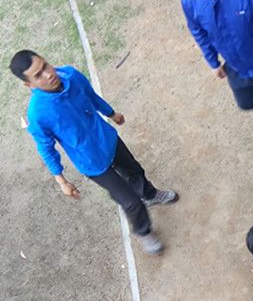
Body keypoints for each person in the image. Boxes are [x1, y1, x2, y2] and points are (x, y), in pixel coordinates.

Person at [10, 50, 177, 256]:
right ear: (29, 85)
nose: (48, 74)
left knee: (134, 170)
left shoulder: (71, 75)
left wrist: (111, 113)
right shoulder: (37, 115)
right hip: (91, 162)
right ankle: (144, 232)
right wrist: (62, 180)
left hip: (108, 139)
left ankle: (150, 195)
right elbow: (45, 148)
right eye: (38, 75)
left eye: (45, 65)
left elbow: (91, 95)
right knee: (130, 202)